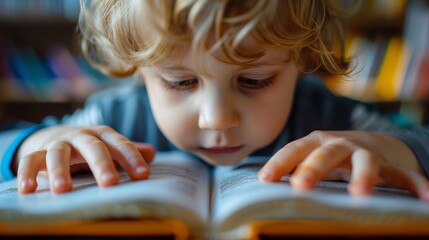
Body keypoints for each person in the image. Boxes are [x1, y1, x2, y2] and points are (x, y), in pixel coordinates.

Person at [1, 0, 428, 201]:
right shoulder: (114, 116)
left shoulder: (329, 117)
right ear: (138, 69)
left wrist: (394, 148)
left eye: (255, 81)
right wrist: (33, 146)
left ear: (303, 60)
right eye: (181, 82)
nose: (216, 118)